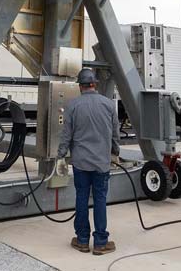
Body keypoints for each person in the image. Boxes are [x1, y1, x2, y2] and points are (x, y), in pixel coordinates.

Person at [57, 67, 119, 256]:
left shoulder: (73, 106)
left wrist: (60, 156)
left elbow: (66, 135)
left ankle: (82, 241)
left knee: (81, 198)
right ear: (94, 84)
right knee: (100, 199)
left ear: (80, 86)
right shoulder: (109, 105)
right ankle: (100, 242)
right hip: (101, 162)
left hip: (81, 163)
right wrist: (115, 151)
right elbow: (115, 134)